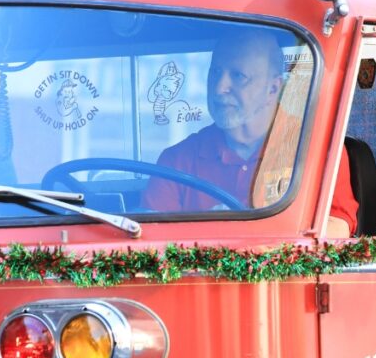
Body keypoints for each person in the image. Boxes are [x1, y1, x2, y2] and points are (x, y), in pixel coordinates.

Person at [142, 30, 359, 237]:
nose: (219, 87)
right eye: (215, 72)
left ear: (273, 88)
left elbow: (337, 228)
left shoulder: (317, 148)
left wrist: (233, 230)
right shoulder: (177, 160)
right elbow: (151, 242)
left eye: (238, 76)